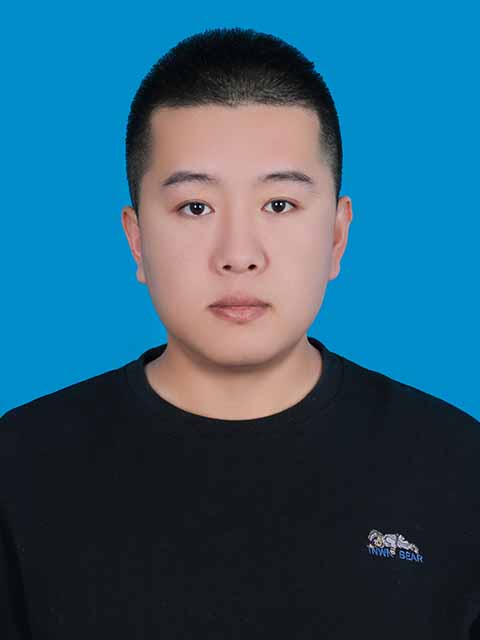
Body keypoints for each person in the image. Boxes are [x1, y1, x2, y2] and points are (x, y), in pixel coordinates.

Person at [1, 26, 479, 639]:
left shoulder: (455, 466)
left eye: (279, 205)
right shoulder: (21, 466)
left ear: (337, 235)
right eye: (195, 207)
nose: (238, 255)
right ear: (137, 240)